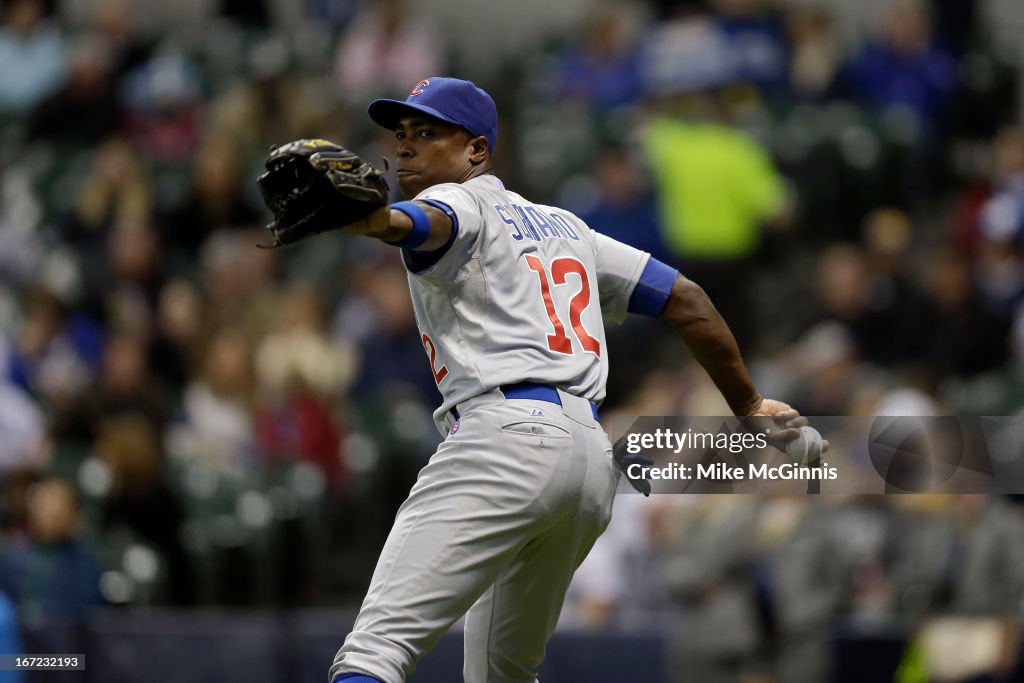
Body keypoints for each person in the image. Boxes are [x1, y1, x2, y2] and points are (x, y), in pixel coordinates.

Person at [327, 76, 810, 683]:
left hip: (502, 439)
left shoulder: (461, 200)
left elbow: (426, 223)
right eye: (400, 135)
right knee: (504, 673)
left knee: (375, 650)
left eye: (427, 132)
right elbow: (686, 298)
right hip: (585, 460)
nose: (405, 148)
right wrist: (749, 401)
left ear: (476, 150)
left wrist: (376, 223)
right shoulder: (567, 228)